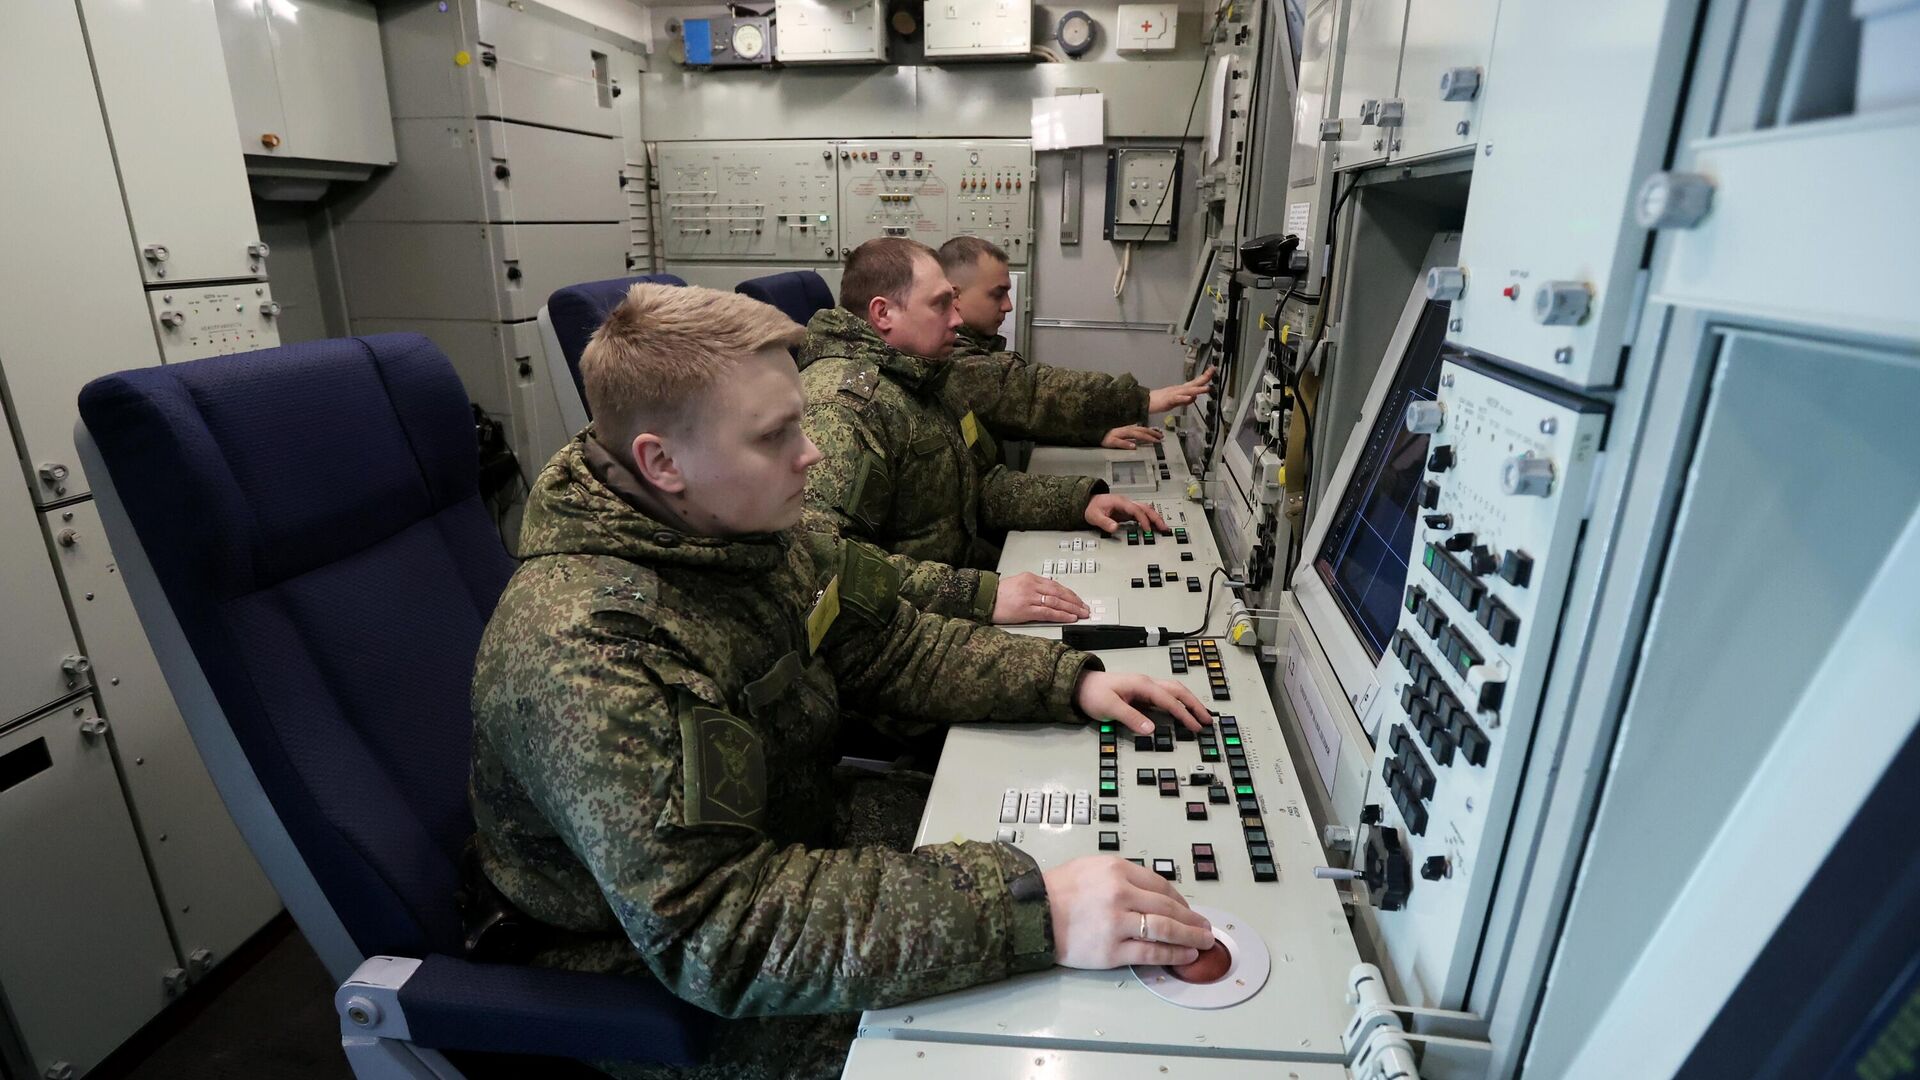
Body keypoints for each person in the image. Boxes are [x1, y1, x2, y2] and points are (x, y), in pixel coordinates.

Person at [468, 283, 1217, 1080]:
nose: (813, 453)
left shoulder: (744, 534)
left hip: (795, 834)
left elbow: (888, 644)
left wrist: (1067, 682)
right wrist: (1031, 911)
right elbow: (724, 929)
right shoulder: (593, 647)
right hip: (649, 975)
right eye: (774, 435)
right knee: (1013, 1035)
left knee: (1061, 842)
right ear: (663, 462)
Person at [798, 237, 1168, 627]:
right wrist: (979, 595)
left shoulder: (922, 379)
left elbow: (977, 487)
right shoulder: (842, 409)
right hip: (903, 627)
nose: (956, 320)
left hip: (953, 594)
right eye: (940, 304)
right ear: (883, 313)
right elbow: (825, 561)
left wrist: (1078, 502)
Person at [938, 235, 1215, 451]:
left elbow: (1015, 414)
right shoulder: (954, 359)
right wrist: (1142, 399)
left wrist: (1093, 433)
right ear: (955, 296)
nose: (1009, 306)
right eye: (997, 294)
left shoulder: (973, 348)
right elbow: (1032, 393)